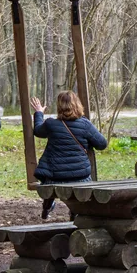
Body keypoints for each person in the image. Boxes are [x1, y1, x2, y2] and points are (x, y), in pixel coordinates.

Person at [30, 90, 107, 219]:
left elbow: (38, 131)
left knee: (49, 180)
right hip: (80, 176)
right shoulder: (85, 124)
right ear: (77, 104)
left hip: (55, 175)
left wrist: (39, 113)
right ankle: (75, 211)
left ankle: (47, 205)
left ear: (59, 106)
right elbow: (102, 144)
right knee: (80, 184)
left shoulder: (51, 124)